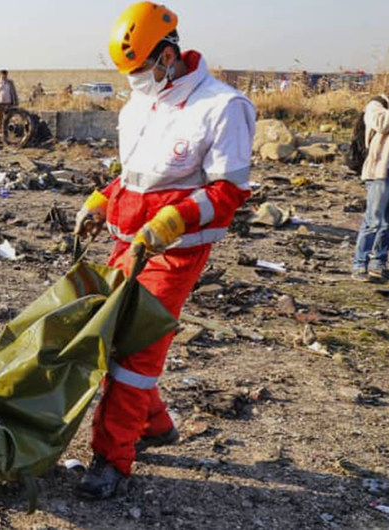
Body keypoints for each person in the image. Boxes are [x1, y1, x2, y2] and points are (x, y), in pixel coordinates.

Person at [73, 2, 255, 499]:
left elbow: (229, 192)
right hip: (128, 243)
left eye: (141, 69)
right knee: (111, 336)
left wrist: (169, 224)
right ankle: (154, 425)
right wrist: (101, 200)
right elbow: (135, 177)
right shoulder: (141, 104)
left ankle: (112, 458)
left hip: (174, 252)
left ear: (169, 55)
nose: (135, 81)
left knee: (135, 352)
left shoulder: (222, 106)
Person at [352, 94, 389, 281]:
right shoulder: (376, 104)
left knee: (388, 224)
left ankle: (378, 263)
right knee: (373, 221)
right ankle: (359, 265)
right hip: (379, 174)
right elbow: (382, 124)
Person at [0, 70, 18, 136]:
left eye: (5, 75)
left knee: (8, 117)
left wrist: (15, 102)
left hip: (8, 103)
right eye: (3, 75)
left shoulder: (10, 82)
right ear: (0, 75)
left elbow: (14, 92)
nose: (4, 76)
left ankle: (6, 132)